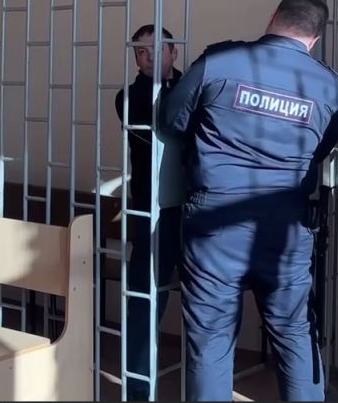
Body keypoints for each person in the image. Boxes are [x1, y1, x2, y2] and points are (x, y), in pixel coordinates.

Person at [160, 0, 338, 401]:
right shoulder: (330, 87)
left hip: (216, 225)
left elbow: (171, 119)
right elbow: (321, 149)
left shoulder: (220, 62)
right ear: (315, 39)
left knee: (211, 341)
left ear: (274, 15)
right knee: (295, 335)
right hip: (285, 228)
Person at [114, 24, 187, 401]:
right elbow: (170, 121)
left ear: (174, 52)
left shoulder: (192, 86)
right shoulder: (129, 97)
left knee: (206, 300)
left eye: (157, 49)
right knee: (145, 298)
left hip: (196, 207)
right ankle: (138, 388)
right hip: (152, 212)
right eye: (140, 52)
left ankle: (204, 384)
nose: (148, 57)